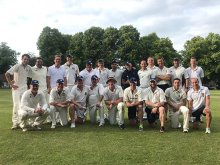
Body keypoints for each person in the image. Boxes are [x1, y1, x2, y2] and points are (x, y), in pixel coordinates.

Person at [5, 54, 32, 129]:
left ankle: (24, 122)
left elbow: (31, 76)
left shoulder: (28, 67)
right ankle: (15, 123)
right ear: (22, 59)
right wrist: (11, 84)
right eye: (25, 59)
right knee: (16, 105)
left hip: (24, 89)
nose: (26, 60)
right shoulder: (17, 66)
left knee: (25, 106)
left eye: (27, 59)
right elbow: (7, 74)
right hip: (16, 89)